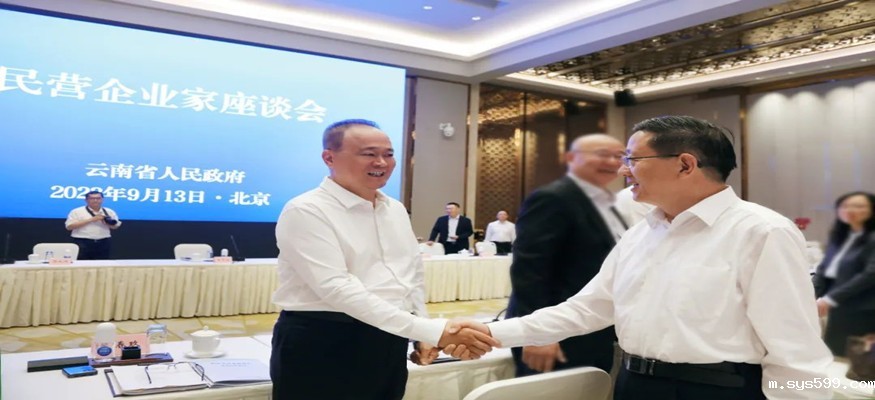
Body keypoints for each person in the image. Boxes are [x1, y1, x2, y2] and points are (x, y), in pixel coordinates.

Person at [451, 116, 833, 399]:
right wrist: (493, 333)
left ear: (685, 164)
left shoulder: (762, 232)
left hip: (715, 389)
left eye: (633, 159)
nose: (622, 170)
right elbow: (587, 309)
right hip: (633, 384)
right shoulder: (641, 233)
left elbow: (795, 350)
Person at [270, 119, 497, 400]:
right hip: (325, 339)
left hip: (390, 337)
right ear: (329, 158)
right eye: (369, 154)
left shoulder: (395, 209)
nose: (381, 162)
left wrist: (421, 331)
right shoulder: (306, 210)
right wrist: (431, 330)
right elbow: (336, 287)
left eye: (388, 154)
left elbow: (411, 275)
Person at [506, 133, 627, 377]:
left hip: (591, 328)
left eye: (620, 156)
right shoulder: (553, 198)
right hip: (557, 331)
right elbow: (530, 270)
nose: (613, 162)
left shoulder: (606, 202)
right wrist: (540, 334)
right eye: (603, 154)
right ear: (571, 158)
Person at [812, 191, 875, 356]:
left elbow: (870, 274)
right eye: (845, 206)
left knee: (861, 360)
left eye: (859, 206)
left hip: (864, 309)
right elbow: (824, 269)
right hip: (840, 308)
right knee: (835, 355)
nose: (850, 210)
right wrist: (810, 293)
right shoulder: (840, 236)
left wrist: (831, 299)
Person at [64, 190, 121, 260]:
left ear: (102, 199)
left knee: (102, 263)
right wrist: (91, 220)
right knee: (81, 263)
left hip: (103, 242)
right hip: (82, 242)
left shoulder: (109, 211)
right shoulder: (77, 211)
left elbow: (115, 226)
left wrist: (107, 223)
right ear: (86, 200)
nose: (95, 200)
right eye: (92, 198)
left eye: (98, 198)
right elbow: (69, 227)